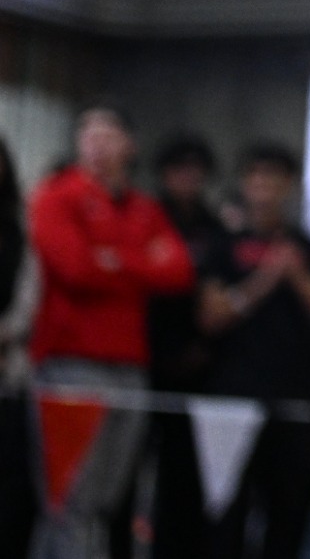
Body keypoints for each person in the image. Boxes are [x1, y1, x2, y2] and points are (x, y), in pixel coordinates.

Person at [29, 104, 194, 559]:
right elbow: (75, 269)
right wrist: (140, 262)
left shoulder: (145, 208)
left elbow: (178, 272)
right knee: (70, 502)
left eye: (109, 134)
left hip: (130, 368)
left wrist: (114, 258)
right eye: (89, 134)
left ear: (130, 145)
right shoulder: (57, 195)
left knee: (104, 503)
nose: (98, 144)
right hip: (71, 364)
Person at [197, 143, 310, 559]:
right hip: (233, 395)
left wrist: (296, 277)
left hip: (295, 399)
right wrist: (263, 281)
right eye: (256, 176)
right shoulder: (223, 246)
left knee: (288, 511)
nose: (264, 186)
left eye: (274, 177)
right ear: (245, 183)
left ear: (290, 185)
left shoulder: (309, 251)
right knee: (226, 508)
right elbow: (211, 317)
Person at [148, 133, 227, 559]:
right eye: (179, 169)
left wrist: (201, 346)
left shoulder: (213, 229)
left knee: (185, 477)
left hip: (195, 362)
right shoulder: (147, 216)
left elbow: (216, 295)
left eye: (196, 170)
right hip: (145, 356)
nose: (187, 178)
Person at [1, 135, 40, 559]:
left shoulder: (18, 227)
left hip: (10, 366)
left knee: (13, 481)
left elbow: (31, 293)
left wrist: (7, 335)